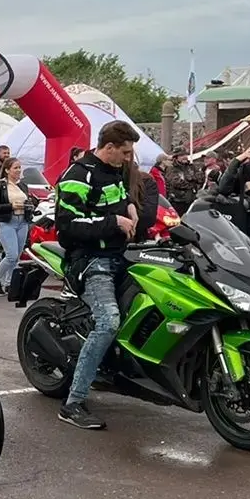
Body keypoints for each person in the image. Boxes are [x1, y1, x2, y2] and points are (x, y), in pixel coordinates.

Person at [53, 120, 141, 431]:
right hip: (90, 261)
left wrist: (129, 207)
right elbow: (67, 227)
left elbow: (114, 201)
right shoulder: (78, 176)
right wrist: (114, 222)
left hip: (119, 256)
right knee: (108, 322)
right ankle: (73, 402)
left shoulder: (113, 171)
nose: (129, 159)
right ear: (109, 148)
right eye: (126, 153)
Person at [0, 157, 38, 295]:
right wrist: (11, 206)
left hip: (23, 221)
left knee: (16, 257)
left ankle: (8, 284)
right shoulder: (0, 185)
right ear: (7, 170)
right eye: (15, 168)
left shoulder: (22, 186)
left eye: (19, 167)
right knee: (11, 255)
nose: (18, 170)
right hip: (7, 222)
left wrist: (30, 205)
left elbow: (27, 200)